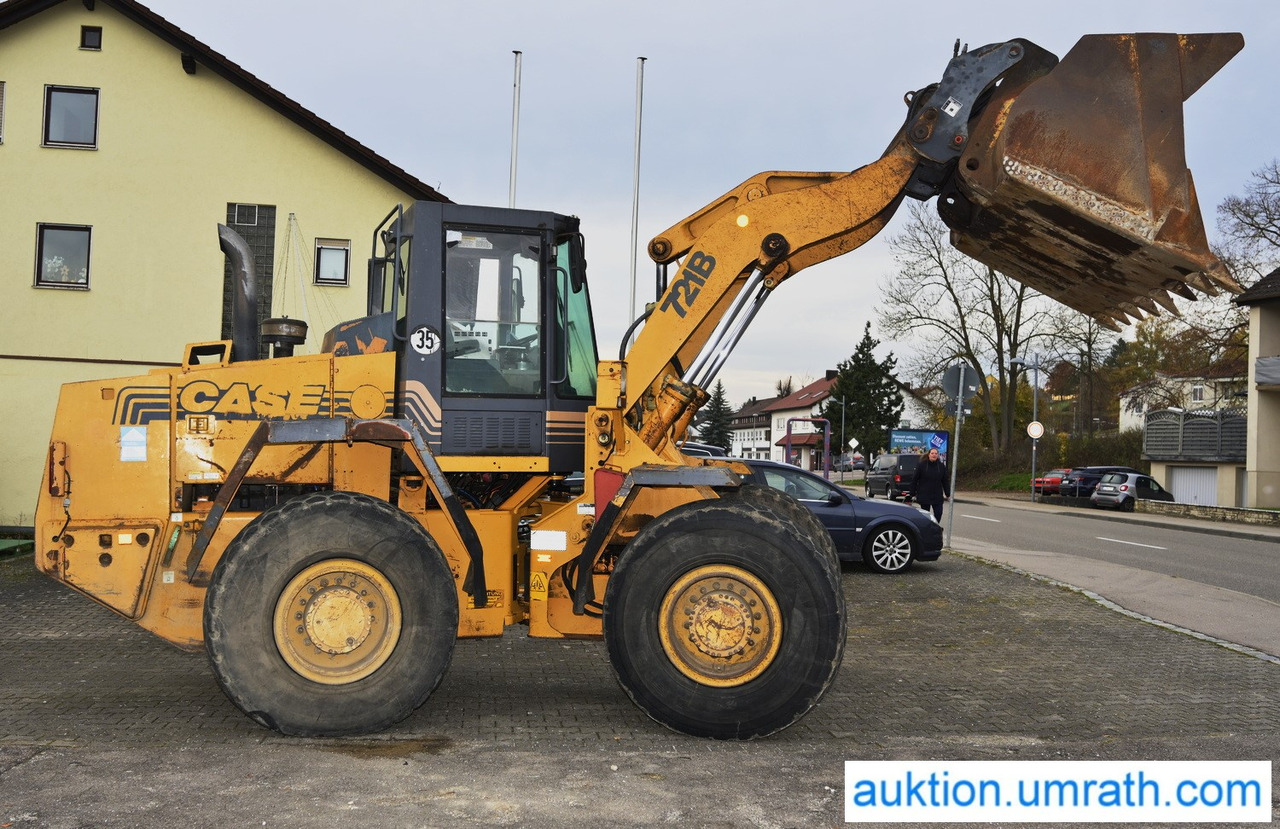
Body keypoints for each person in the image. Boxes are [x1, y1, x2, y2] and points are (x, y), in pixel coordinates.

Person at [907, 447, 950, 522]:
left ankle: (934, 526)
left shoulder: (941, 466)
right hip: (924, 495)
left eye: (936, 453)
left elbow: (945, 481)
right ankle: (927, 527)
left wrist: (947, 493)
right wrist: (912, 492)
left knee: (939, 513)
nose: (934, 455)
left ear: (938, 455)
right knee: (926, 515)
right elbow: (915, 479)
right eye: (932, 453)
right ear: (929, 455)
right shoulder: (921, 465)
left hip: (937, 495)